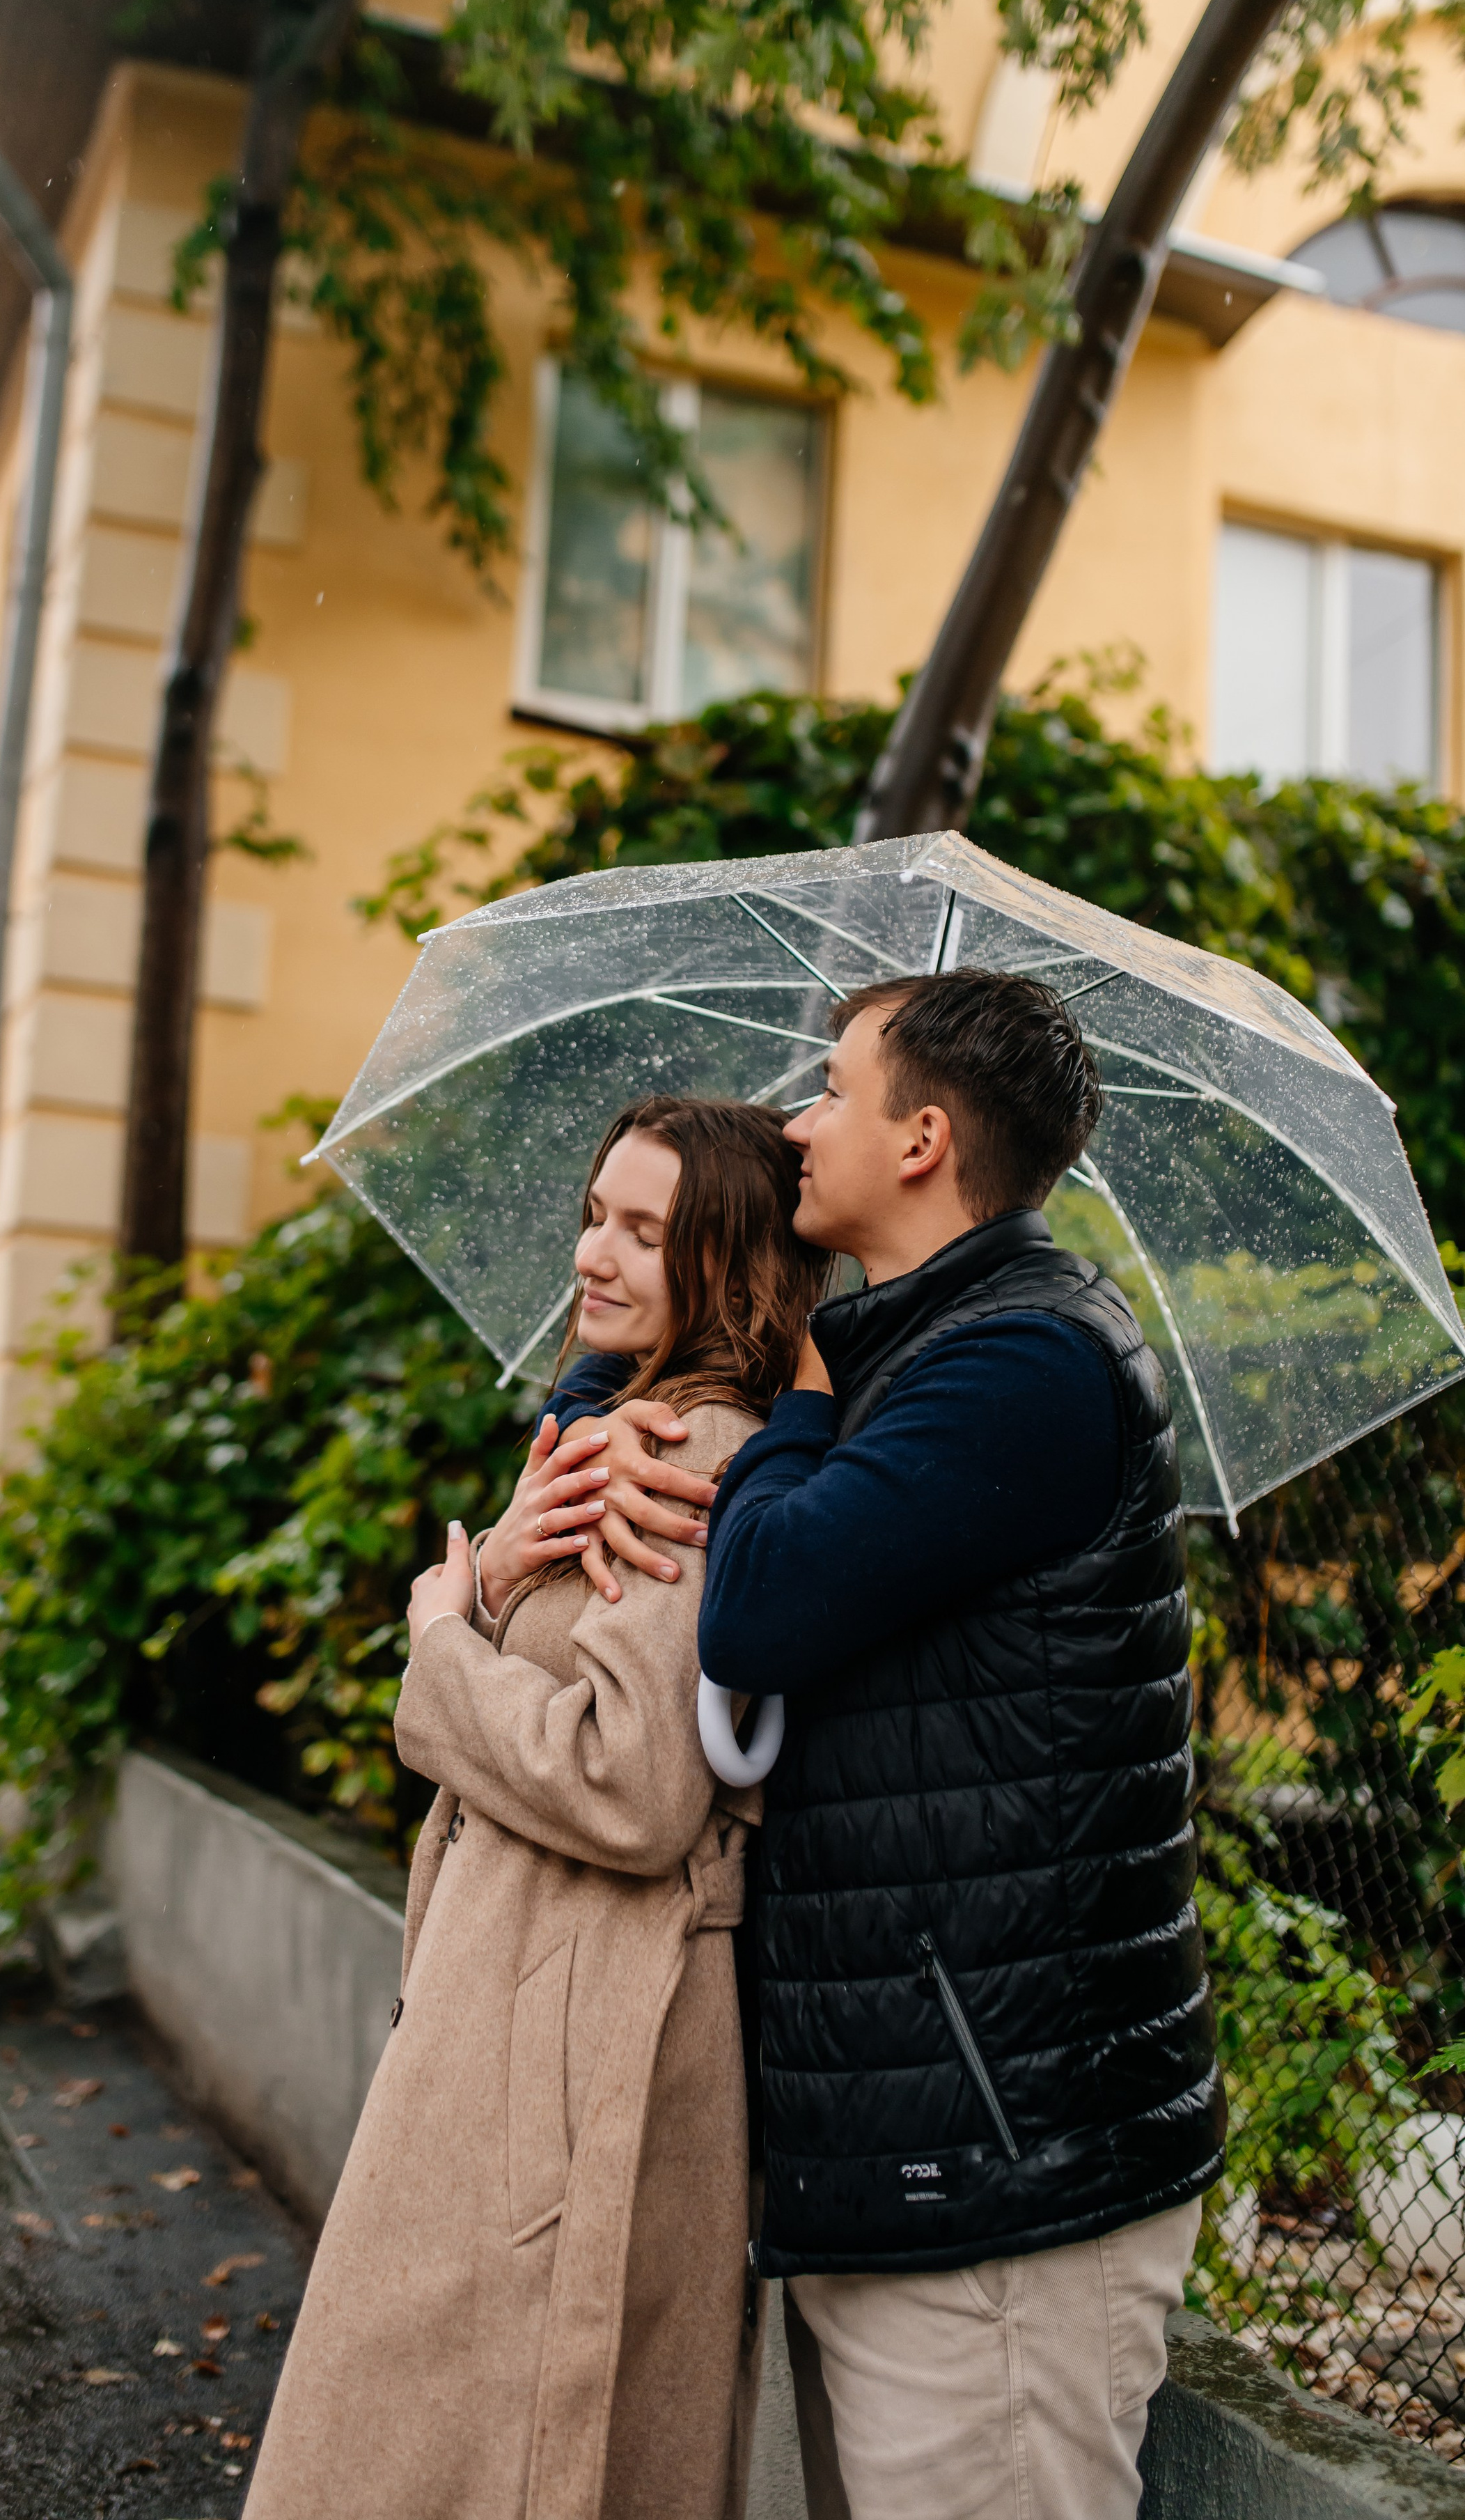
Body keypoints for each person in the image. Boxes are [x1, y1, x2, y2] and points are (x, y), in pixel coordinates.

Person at [559, 971, 1226, 2520]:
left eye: (831, 1093)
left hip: (993, 2168)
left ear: (921, 1138)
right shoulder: (912, 1345)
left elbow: (763, 1608)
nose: (795, 1123)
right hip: (899, 2132)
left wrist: (792, 1398)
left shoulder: (1026, 1364)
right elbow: (656, 1382)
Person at [241, 1095, 827, 2520]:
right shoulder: (606, 1429)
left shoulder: (687, 1455)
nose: (592, 1252)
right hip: (522, 2004)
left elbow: (630, 1784)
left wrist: (442, 1638)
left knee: (471, 2451)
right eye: (592, 1212)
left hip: (583, 2033)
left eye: (643, 1228)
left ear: (727, 1262)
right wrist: (493, 1582)